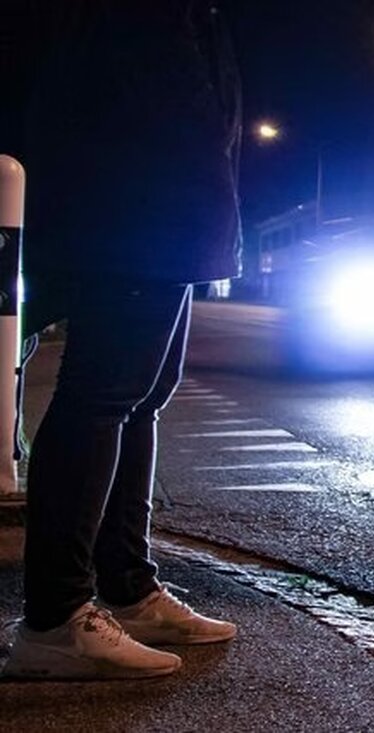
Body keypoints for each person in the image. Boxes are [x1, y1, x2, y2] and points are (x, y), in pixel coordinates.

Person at [2, 0, 243, 679]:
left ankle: (127, 587)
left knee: (142, 394)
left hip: (170, 200)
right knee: (102, 395)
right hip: (131, 199)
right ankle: (55, 617)